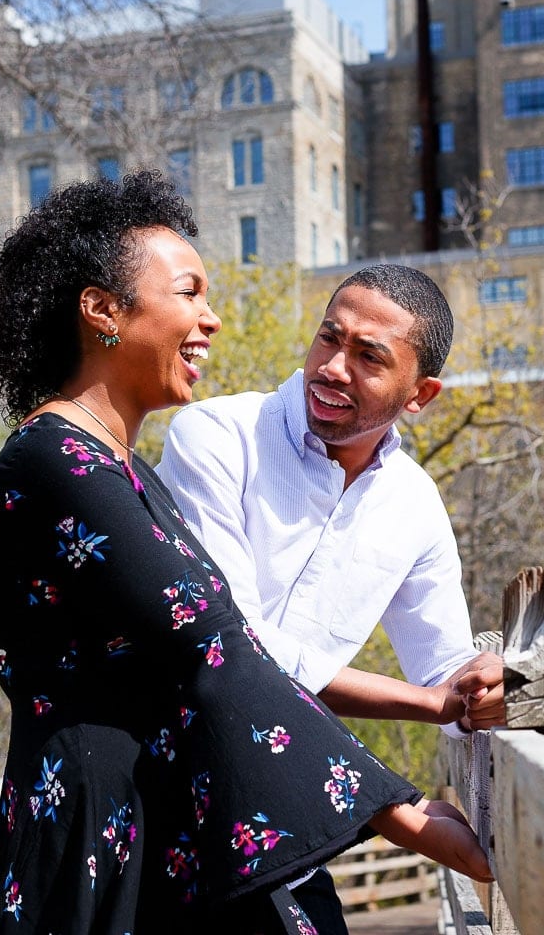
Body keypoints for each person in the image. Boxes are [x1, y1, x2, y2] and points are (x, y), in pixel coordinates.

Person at [0, 170, 490, 935]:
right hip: (97, 829)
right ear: (104, 311)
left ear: (420, 393)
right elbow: (217, 645)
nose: (211, 319)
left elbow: (222, 651)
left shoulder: (112, 467)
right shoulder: (58, 462)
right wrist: (405, 815)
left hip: (166, 824)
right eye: (189, 293)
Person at [157, 265, 505, 735]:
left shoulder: (415, 502)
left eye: (369, 357)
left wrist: (484, 691)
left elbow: (445, 670)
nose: (332, 368)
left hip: (270, 766)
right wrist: (427, 706)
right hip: (145, 755)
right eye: (329, 338)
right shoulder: (216, 436)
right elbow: (230, 638)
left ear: (420, 394)